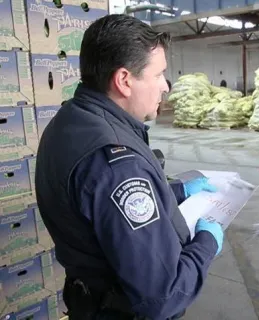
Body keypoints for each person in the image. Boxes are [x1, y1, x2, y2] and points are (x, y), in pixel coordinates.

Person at [35, 14, 224, 320]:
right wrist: (207, 244)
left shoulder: (72, 121)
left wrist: (172, 192)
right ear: (124, 80)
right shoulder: (115, 161)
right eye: (159, 74)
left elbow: (99, 207)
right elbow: (162, 296)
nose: (165, 86)